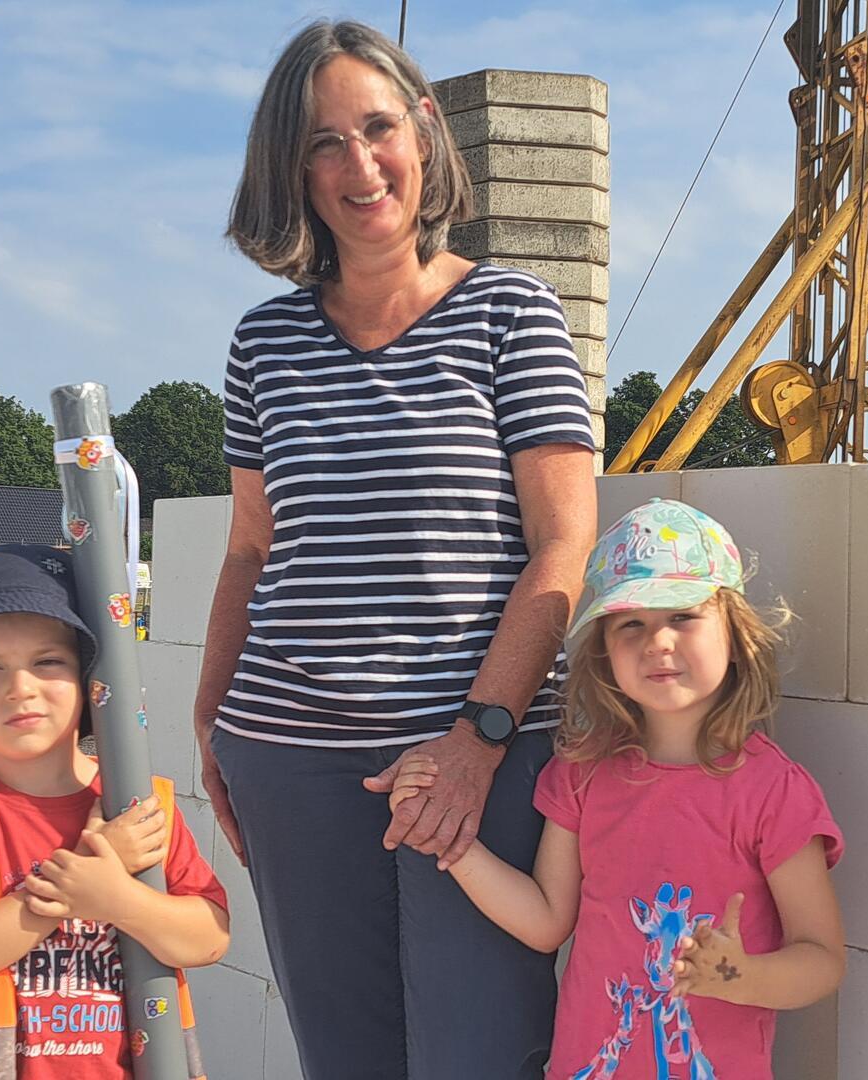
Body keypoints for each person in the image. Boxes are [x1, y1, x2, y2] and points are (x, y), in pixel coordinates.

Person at [198, 18, 598, 1077]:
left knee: (483, 1054)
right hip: (289, 757)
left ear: (426, 132)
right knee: (345, 1059)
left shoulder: (514, 313)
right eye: (323, 142)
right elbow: (248, 551)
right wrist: (209, 717)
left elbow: (562, 549)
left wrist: (480, 737)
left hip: (478, 751)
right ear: (290, 170)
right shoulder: (262, 342)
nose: (359, 165)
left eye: (378, 127)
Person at [389, 499, 847, 1078]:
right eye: (632, 624)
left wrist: (744, 977)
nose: (657, 642)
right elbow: (547, 919)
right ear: (606, 653)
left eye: (682, 616)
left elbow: (823, 957)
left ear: (735, 633)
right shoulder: (582, 773)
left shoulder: (774, 791)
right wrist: (446, 838)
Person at [0, 545, 230, 1079]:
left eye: (48, 662)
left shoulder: (140, 804)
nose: (20, 688)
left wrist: (116, 897)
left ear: (88, 677)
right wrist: (82, 876)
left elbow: (208, 938)